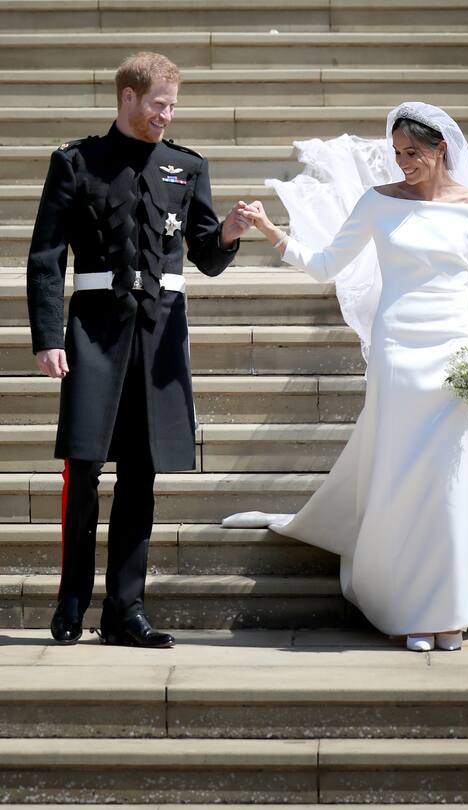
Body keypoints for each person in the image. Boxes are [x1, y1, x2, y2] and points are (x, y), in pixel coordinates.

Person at [224, 102, 468, 652]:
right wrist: (272, 230)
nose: (402, 164)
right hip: (398, 350)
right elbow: (326, 264)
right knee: (403, 478)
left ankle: (451, 608)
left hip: (456, 354)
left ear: (442, 149)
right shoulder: (378, 203)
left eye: (412, 153)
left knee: (451, 481)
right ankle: (412, 606)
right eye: (396, 154)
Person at [27, 51, 252, 648]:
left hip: (159, 339)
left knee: (142, 472)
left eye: (173, 106)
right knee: (83, 467)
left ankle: (125, 610)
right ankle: (72, 598)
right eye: (158, 104)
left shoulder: (186, 167)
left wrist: (227, 232)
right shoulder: (77, 163)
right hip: (94, 335)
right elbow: (46, 257)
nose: (166, 116)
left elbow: (204, 254)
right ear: (128, 97)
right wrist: (48, 337)